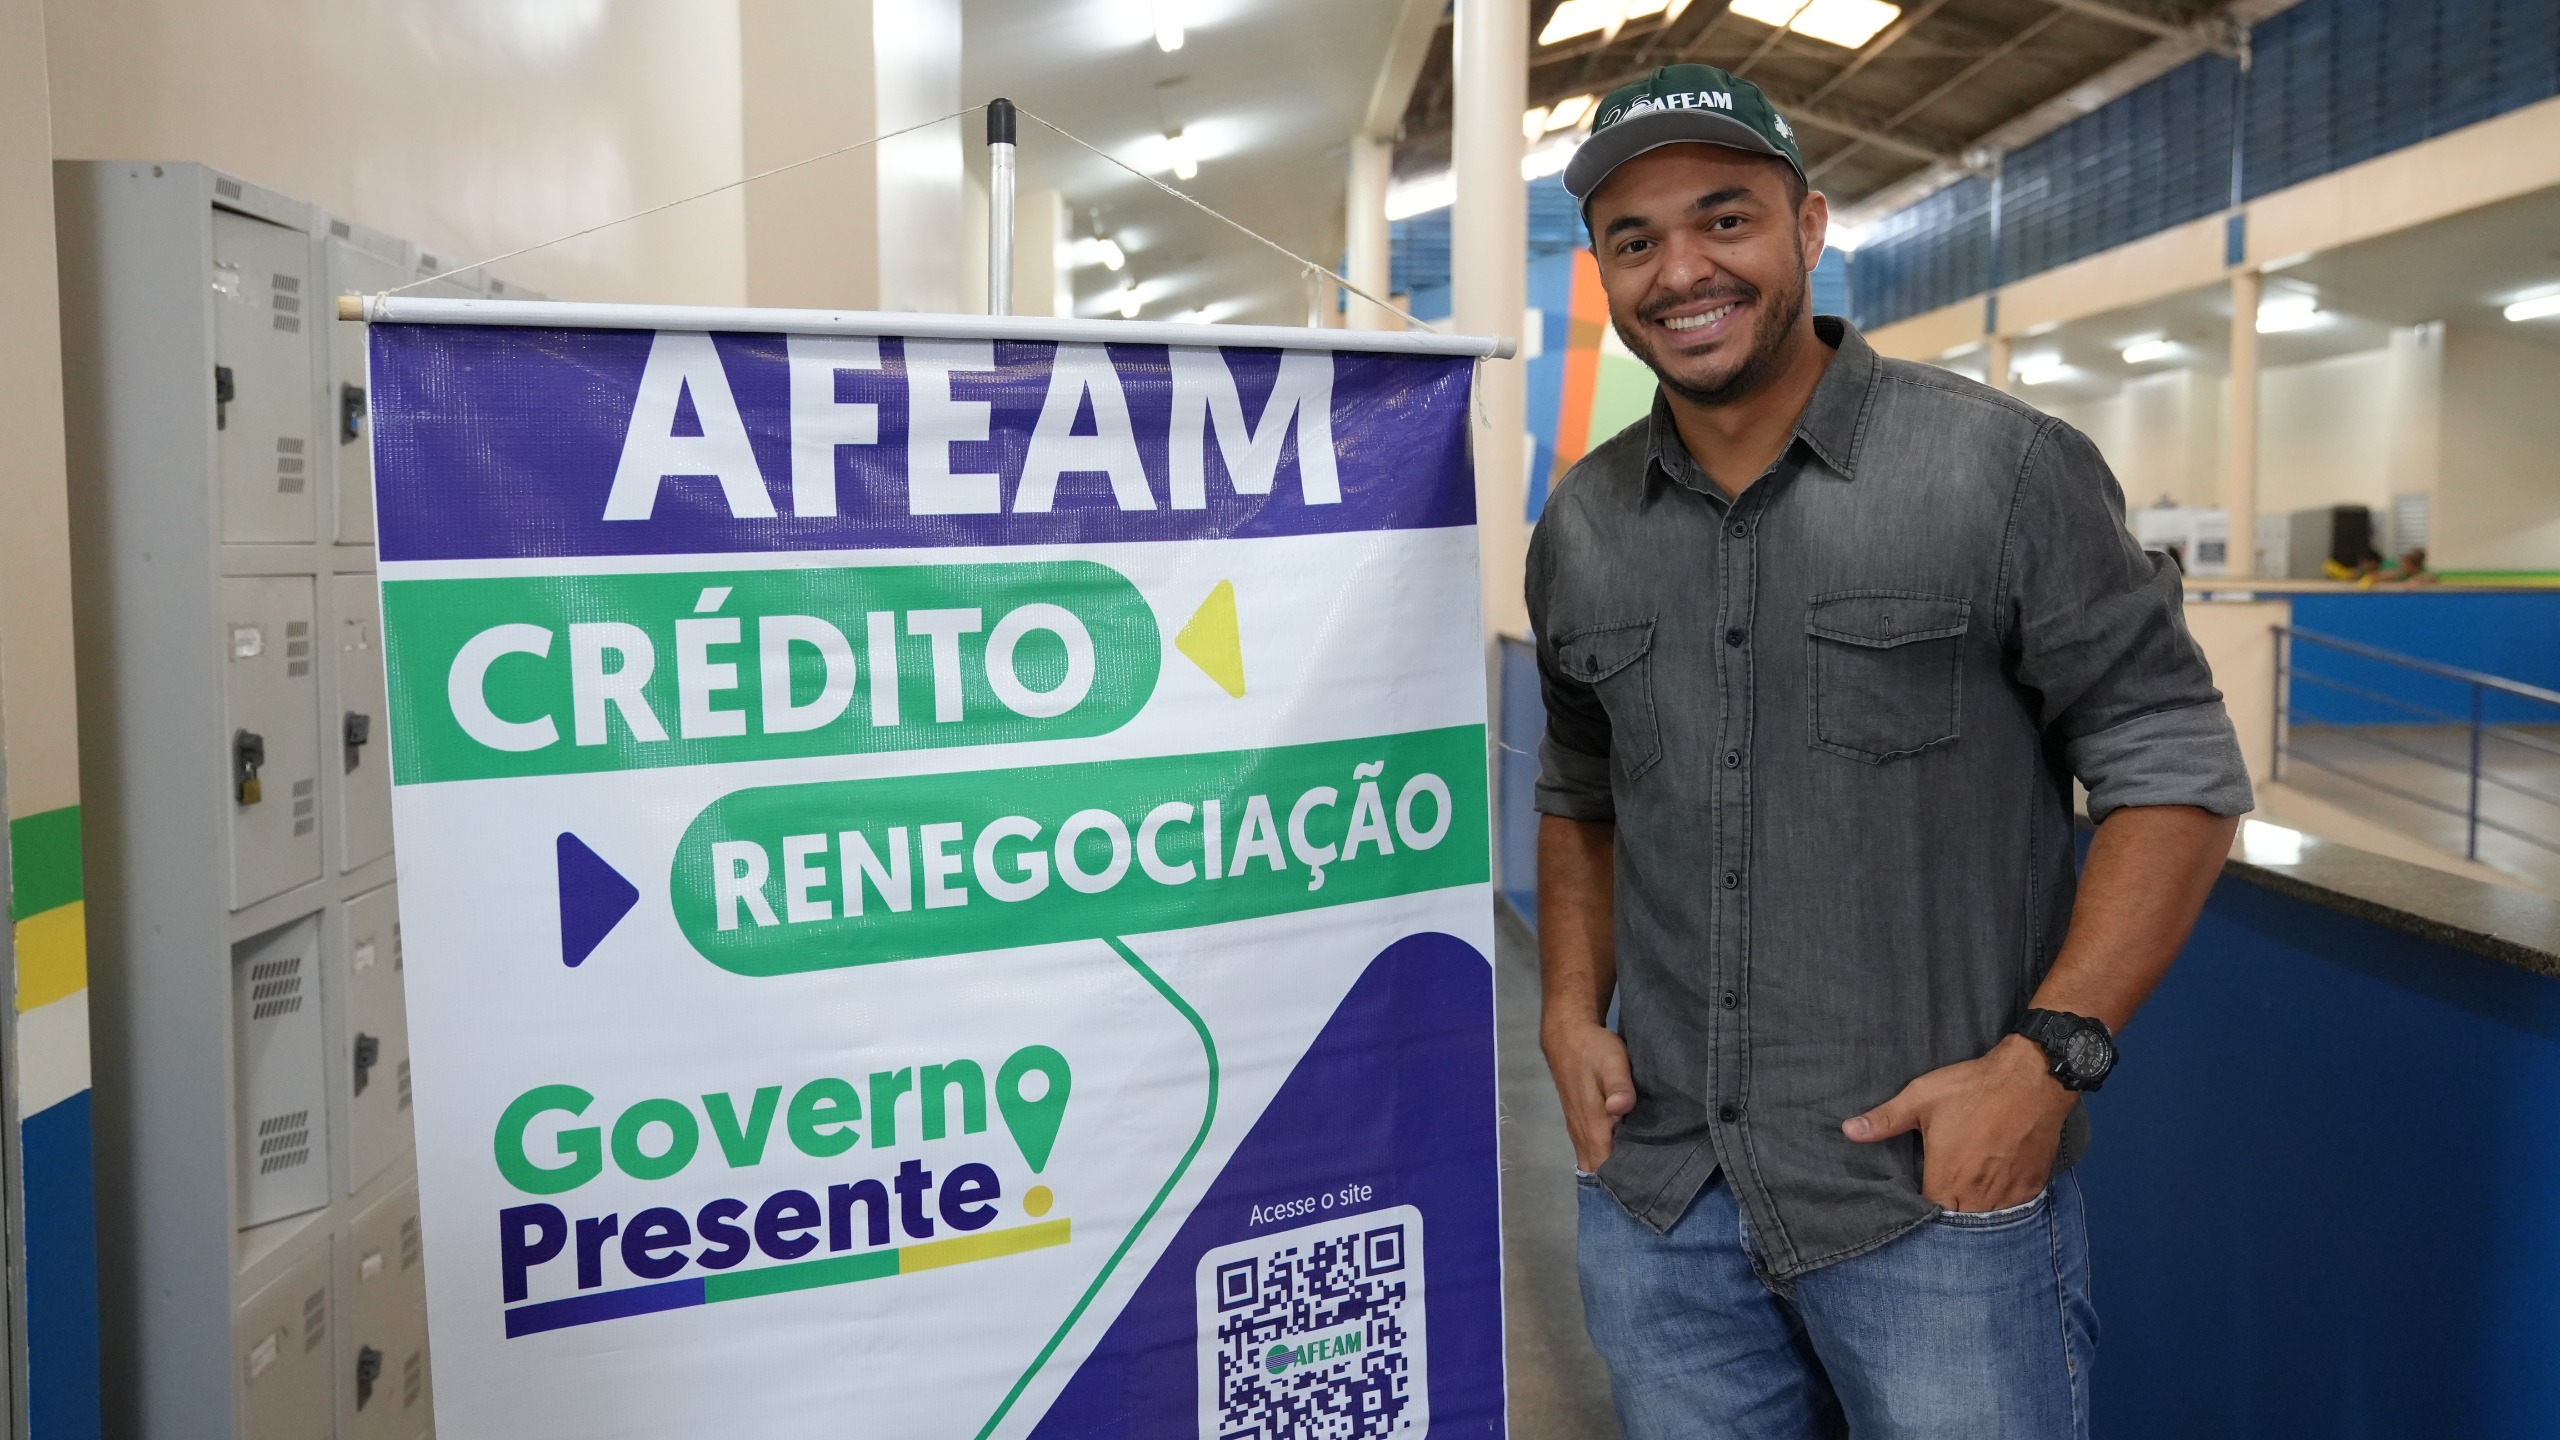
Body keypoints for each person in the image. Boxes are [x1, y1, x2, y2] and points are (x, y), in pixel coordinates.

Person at [1527, 65, 2252, 1439]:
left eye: (1725, 218)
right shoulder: (1584, 525)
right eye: (1635, 239)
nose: (1682, 270)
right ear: (1604, 274)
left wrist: (2047, 1062)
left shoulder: (2003, 472)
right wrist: (1570, 1012)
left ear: (1809, 227)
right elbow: (1580, 785)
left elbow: (2175, 765)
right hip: (1663, 1203)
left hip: (1932, 1205)